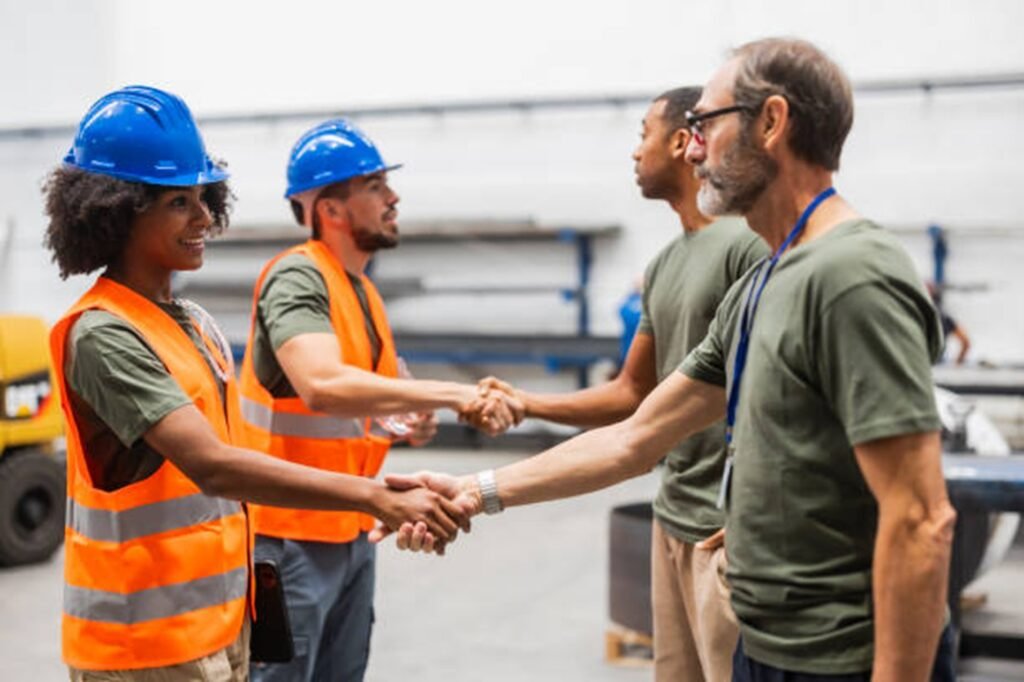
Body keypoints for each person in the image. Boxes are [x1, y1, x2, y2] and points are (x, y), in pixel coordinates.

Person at [384, 38, 958, 681]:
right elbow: (636, 436)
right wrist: (474, 490)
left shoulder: (851, 275)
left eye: (706, 123)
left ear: (770, 123)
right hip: (768, 643)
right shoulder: (761, 285)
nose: (695, 146)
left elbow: (920, 518)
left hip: (840, 657)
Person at [45, 86, 469, 682]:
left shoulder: (194, 323)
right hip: (143, 648)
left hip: (219, 623)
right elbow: (215, 466)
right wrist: (375, 497)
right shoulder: (101, 335)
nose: (204, 220)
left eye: (203, 199)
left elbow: (237, 458)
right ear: (119, 210)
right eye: (178, 203)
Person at [477, 87, 768, 681]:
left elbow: (772, 393)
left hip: (726, 534)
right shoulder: (663, 265)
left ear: (684, 140)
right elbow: (633, 396)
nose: (634, 152)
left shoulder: (747, 248)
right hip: (674, 518)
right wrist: (527, 402)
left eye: (643, 134)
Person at [239, 118, 520, 682]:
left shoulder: (361, 288)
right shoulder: (297, 277)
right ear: (329, 208)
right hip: (288, 536)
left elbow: (368, 403)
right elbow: (321, 386)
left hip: (350, 529)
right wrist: (454, 394)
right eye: (374, 186)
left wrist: (404, 425)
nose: (393, 198)